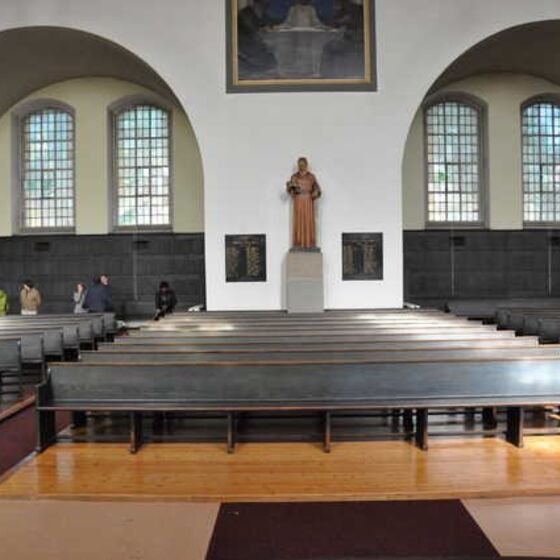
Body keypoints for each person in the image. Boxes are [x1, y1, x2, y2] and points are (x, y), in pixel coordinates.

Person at [286, 156, 322, 249]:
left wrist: (315, 193)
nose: (301, 166)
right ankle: (298, 243)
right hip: (298, 201)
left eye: (303, 164)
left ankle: (310, 243)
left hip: (308, 201)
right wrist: (290, 187)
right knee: (299, 222)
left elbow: (317, 188)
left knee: (309, 221)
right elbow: (290, 190)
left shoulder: (311, 177)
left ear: (306, 165)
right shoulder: (294, 177)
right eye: (300, 165)